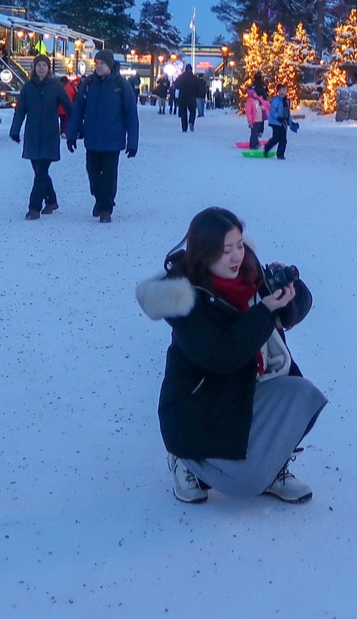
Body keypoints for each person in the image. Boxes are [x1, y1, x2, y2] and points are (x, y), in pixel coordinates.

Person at [135, 207, 322, 504]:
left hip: (248, 388)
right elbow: (223, 356)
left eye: (239, 245)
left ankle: (273, 467)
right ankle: (187, 462)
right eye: (225, 250)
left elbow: (289, 314)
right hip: (202, 410)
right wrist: (264, 311)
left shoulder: (249, 273)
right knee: (244, 483)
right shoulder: (186, 302)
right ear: (204, 253)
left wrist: (290, 293)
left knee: (302, 398)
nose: (236, 256)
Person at [65, 50, 140, 222]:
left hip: (113, 140)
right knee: (92, 172)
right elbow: (78, 111)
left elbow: (131, 115)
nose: (98, 66)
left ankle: (106, 207)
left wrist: (132, 142)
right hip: (92, 138)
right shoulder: (88, 84)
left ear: (110, 65)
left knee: (108, 174)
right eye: (96, 63)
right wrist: (72, 134)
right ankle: (99, 199)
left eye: (102, 63)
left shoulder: (121, 85)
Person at [9, 55, 67, 219]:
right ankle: (51, 201)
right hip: (33, 135)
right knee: (39, 171)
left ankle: (34, 207)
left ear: (49, 69)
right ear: (34, 68)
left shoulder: (56, 86)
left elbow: (70, 108)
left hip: (50, 135)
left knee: (41, 171)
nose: (41, 68)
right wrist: (15, 130)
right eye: (38, 65)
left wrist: (75, 128)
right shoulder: (28, 87)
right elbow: (20, 110)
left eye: (44, 65)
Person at [262, 84, 293, 159]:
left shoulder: (286, 100)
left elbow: (287, 112)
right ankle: (266, 148)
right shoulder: (276, 100)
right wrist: (278, 118)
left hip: (283, 122)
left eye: (285, 89)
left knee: (283, 140)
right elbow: (272, 111)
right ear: (279, 91)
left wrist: (290, 122)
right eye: (283, 89)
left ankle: (280, 155)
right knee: (276, 138)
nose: (285, 91)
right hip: (276, 122)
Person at [175, 63, 205, 133]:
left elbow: (176, 85)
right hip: (192, 97)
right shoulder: (194, 78)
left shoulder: (181, 77)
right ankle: (191, 122)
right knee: (192, 111)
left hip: (183, 97)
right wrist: (196, 94)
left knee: (183, 113)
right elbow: (198, 88)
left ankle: (184, 128)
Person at [243, 81, 267, 150]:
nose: (256, 95)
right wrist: (250, 121)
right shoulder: (250, 102)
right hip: (254, 120)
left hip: (259, 119)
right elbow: (248, 112)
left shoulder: (258, 100)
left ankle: (254, 144)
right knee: (254, 133)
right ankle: (254, 145)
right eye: (254, 94)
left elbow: (263, 104)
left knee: (255, 133)